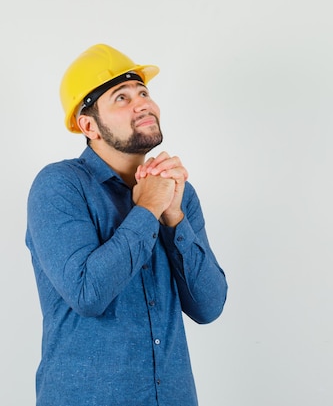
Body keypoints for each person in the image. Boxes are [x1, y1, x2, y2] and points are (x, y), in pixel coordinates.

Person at [25, 43, 228, 406]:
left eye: (144, 92)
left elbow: (209, 306)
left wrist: (173, 218)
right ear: (89, 125)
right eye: (121, 97)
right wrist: (148, 209)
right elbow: (88, 294)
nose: (143, 104)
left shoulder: (176, 191)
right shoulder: (60, 185)